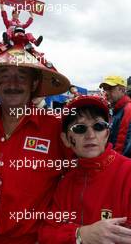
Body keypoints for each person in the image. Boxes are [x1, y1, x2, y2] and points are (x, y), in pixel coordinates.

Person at [0, 46, 71, 244]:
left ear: (34, 83)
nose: (12, 84)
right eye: (5, 75)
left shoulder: (56, 128)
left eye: (21, 76)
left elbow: (80, 178)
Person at [39, 95, 131, 244]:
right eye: (79, 128)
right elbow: (47, 234)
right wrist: (80, 234)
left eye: (99, 126)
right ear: (66, 139)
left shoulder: (127, 173)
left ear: (107, 133)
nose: (90, 135)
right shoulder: (66, 182)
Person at [99, 75, 131, 157]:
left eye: (110, 88)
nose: (106, 92)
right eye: (105, 89)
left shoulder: (128, 109)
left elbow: (122, 144)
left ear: (122, 90)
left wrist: (113, 162)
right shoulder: (117, 109)